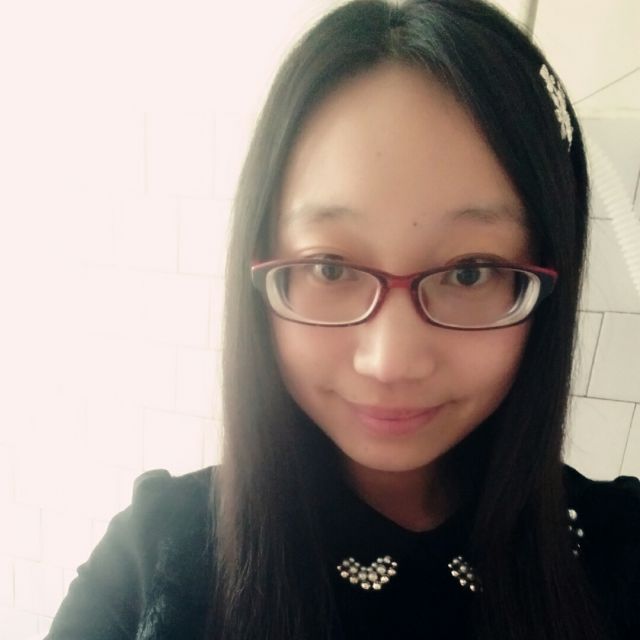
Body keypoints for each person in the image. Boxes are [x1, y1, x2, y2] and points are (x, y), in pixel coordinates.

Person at [46, 1, 640, 639]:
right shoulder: (153, 559)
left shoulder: (624, 552)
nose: (390, 362)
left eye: (471, 272)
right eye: (329, 267)